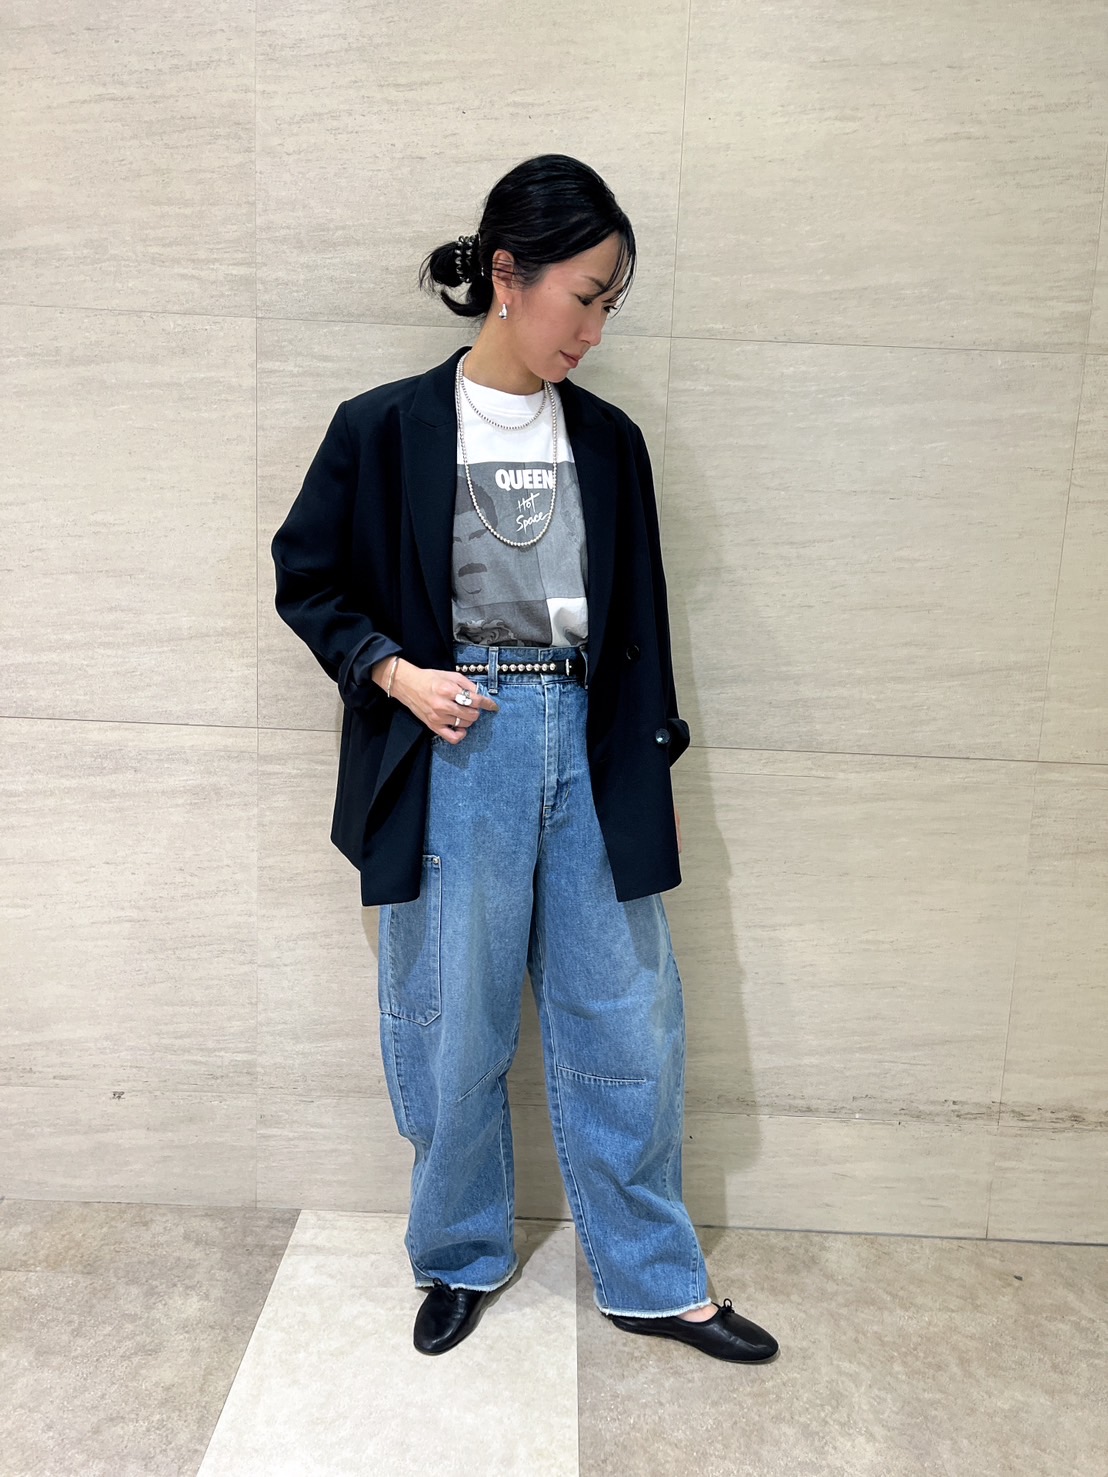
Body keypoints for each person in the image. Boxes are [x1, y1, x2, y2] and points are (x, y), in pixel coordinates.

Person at [271, 154, 778, 1364]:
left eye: (610, 306)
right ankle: (457, 1252)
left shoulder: (608, 441)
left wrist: (649, 760)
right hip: (458, 746)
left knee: (627, 1017)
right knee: (453, 1020)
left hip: (589, 747)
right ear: (507, 275)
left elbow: (638, 618)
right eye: (584, 298)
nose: (594, 330)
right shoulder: (384, 428)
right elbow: (309, 578)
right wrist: (396, 672)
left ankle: (651, 1277)